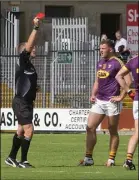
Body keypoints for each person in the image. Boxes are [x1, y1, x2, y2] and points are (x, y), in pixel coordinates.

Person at [79, 39, 132, 167]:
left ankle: (111, 159)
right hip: (99, 100)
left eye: (103, 48)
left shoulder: (117, 62)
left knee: (112, 130)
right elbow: (97, 81)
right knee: (90, 127)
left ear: (110, 49)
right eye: (100, 48)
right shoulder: (100, 62)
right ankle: (88, 158)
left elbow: (128, 81)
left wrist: (121, 96)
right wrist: (93, 94)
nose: (100, 50)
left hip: (111, 101)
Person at [5, 16, 42, 168]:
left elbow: (27, 83)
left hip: (26, 102)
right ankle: (23, 161)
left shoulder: (29, 66)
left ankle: (11, 158)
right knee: (29, 130)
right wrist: (36, 27)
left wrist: (35, 89)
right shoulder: (23, 59)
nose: (34, 48)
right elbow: (29, 45)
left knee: (20, 130)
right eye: (31, 47)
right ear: (25, 51)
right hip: (21, 102)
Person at [116, 55, 138, 170]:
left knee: (137, 132)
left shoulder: (133, 61)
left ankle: (128, 160)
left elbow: (118, 76)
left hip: (137, 100)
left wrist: (129, 92)